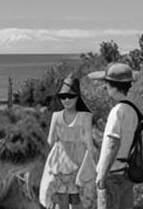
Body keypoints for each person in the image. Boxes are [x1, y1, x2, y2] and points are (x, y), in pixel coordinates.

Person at [39, 75, 97, 209]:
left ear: (77, 97)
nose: (66, 99)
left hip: (60, 162)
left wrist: (62, 143)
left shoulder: (56, 116)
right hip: (79, 161)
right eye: (63, 96)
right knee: (78, 200)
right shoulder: (86, 116)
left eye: (70, 96)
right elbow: (89, 143)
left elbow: (50, 141)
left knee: (62, 201)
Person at [87, 63, 138, 209]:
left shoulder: (117, 111)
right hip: (127, 174)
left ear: (112, 86)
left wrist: (102, 175)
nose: (105, 87)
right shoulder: (133, 110)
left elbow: (113, 143)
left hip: (112, 175)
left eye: (106, 84)